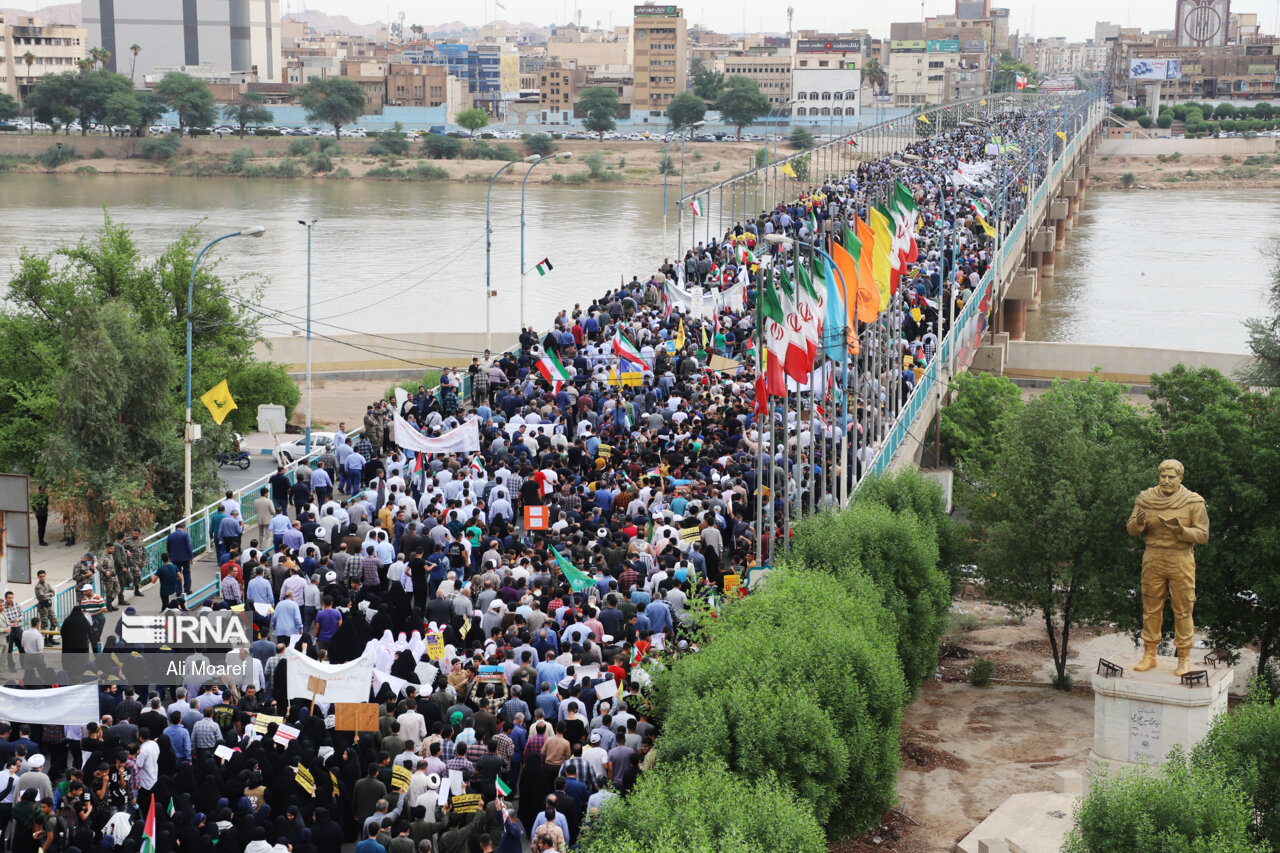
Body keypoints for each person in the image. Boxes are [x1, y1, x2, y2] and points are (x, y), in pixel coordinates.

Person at [1126, 459, 1210, 677]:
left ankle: (1183, 657)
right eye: (1163, 476)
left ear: (1180, 478)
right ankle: (1149, 654)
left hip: (1180, 559)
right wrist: (1140, 523)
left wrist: (1181, 530)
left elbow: (1203, 535)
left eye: (1171, 477)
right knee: (1151, 608)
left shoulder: (1193, 502)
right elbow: (1131, 529)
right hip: (1153, 557)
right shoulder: (1146, 499)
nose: (1166, 481)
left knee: (1183, 609)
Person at [166, 522, 195, 595]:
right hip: (185, 558)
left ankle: (178, 591)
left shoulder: (170, 536)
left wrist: (170, 556)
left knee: (177, 574)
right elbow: (188, 546)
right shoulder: (185, 535)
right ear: (183, 528)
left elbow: (168, 547)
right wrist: (191, 557)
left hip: (175, 558)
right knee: (186, 573)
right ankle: (187, 589)